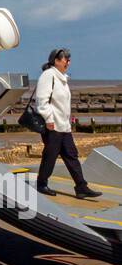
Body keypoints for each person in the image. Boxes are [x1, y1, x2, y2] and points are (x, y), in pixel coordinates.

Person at [35, 48, 100, 199]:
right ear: (56, 61)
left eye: (69, 59)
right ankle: (41, 184)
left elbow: (62, 103)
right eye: (66, 59)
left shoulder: (62, 78)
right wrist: (49, 120)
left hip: (63, 126)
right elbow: (41, 101)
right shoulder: (48, 76)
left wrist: (67, 121)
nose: (68, 62)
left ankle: (81, 187)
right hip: (52, 125)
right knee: (50, 156)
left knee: (72, 155)